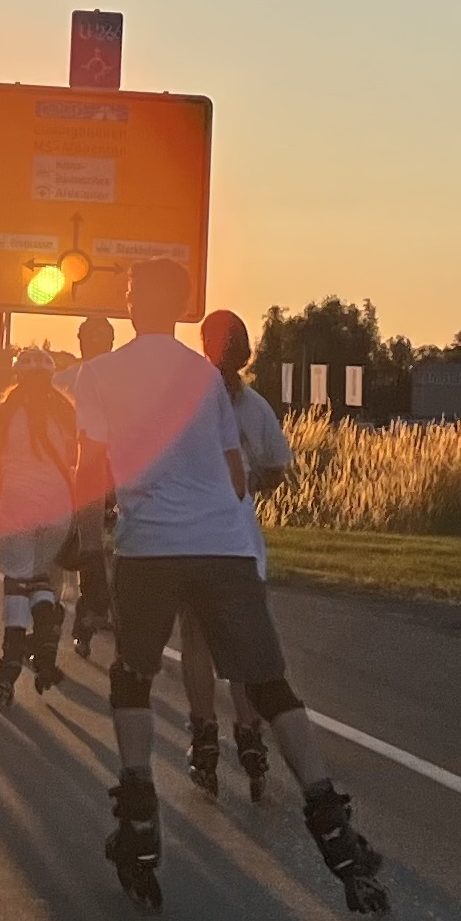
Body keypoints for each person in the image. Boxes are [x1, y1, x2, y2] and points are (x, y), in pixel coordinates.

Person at [71, 260, 388, 914]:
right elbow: (237, 476)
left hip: (150, 546)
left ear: (133, 306)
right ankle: (334, 825)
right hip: (222, 542)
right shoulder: (202, 376)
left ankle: (138, 814)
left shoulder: (98, 374)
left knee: (131, 677)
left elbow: (87, 475)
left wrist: (92, 564)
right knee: (270, 686)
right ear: (180, 308)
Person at [170, 308, 294, 800]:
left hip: (196, 536)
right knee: (241, 644)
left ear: (204, 345)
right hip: (240, 541)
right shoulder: (256, 406)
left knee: (197, 640)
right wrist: (246, 485)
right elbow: (277, 467)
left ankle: (204, 734)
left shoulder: (186, 400)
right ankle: (248, 733)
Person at [0, 348, 85, 708]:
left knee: (17, 581)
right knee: (40, 577)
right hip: (58, 505)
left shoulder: (7, 412)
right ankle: (46, 644)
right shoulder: (65, 411)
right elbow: (72, 458)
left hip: (18, 501)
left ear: (19, 377)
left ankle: (9, 665)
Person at [54, 313, 122, 660]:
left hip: (100, 472)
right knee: (92, 549)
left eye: (96, 338)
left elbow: (88, 442)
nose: (89, 344)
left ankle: (92, 612)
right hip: (114, 471)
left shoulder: (87, 375)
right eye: (86, 338)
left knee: (91, 547)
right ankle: (92, 613)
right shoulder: (113, 373)